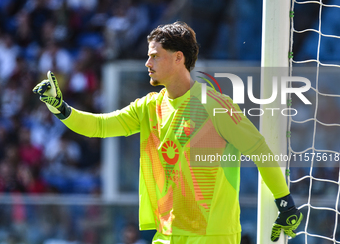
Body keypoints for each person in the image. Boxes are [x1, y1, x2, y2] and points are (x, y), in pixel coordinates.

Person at [33, 21, 303, 244]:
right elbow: (100, 126)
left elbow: (258, 149)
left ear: (178, 58)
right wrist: (60, 108)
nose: (147, 63)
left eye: (154, 55)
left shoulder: (215, 104)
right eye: (147, 56)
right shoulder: (149, 106)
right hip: (166, 235)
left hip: (212, 235)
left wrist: (285, 201)